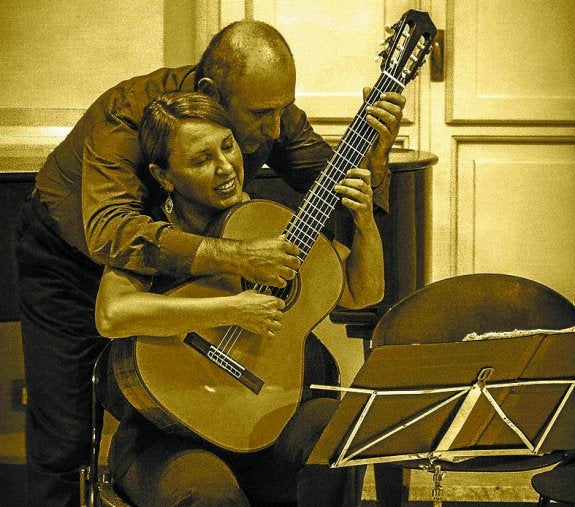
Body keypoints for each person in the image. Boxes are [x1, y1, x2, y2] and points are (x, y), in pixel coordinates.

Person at [15, 19, 405, 506]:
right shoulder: (125, 120)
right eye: (261, 116)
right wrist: (239, 262)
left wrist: (376, 159)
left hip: (210, 243)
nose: (277, 130)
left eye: (229, 146)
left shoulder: (265, 112)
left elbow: (336, 197)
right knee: (64, 437)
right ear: (211, 95)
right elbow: (114, 237)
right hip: (71, 255)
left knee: (323, 432)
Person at [95, 90, 384, 506]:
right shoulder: (152, 235)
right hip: (171, 432)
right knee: (209, 495)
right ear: (164, 176)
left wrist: (364, 222)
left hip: (273, 416)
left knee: (336, 433)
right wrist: (231, 309)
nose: (225, 167)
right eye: (201, 159)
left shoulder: (272, 220)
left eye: (227, 146)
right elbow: (113, 314)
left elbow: (361, 293)